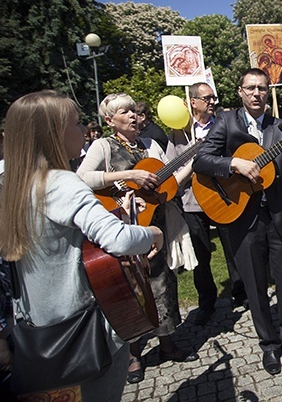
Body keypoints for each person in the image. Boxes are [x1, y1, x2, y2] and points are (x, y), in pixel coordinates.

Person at [0, 91, 163, 401]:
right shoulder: (60, 183)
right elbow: (118, 239)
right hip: (84, 329)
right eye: (76, 123)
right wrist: (153, 233)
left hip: (36, 333)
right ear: (54, 134)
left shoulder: (8, 181)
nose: (83, 130)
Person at [193, 68, 282, 375]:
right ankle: (270, 345)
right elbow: (201, 160)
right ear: (240, 92)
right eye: (250, 88)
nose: (256, 93)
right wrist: (233, 162)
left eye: (262, 88)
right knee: (255, 286)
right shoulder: (226, 122)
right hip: (239, 215)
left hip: (277, 214)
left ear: (267, 92)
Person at [77, 93, 198, 385]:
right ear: (110, 120)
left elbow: (170, 177)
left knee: (162, 283)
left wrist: (192, 162)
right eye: (124, 112)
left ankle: (167, 343)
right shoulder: (102, 146)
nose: (133, 115)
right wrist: (131, 175)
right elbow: (82, 177)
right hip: (121, 226)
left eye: (133, 110)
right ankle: (133, 354)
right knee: (132, 289)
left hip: (154, 224)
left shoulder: (150, 145)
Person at [167, 82, 246, 326]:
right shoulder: (178, 134)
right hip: (192, 203)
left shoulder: (224, 126)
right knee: (201, 255)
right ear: (193, 102)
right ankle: (206, 302)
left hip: (222, 196)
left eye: (214, 97)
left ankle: (241, 293)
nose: (213, 102)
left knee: (233, 249)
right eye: (207, 98)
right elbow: (171, 170)